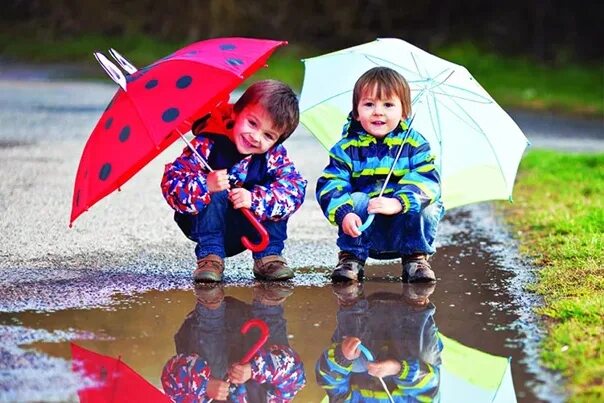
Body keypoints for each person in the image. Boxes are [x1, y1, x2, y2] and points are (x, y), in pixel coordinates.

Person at [162, 80, 307, 282]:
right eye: (252, 123)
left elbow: (295, 188)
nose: (255, 137)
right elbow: (173, 182)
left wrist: (255, 199)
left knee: (276, 190)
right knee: (217, 188)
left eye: (268, 135)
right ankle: (210, 258)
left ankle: (269, 256)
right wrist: (205, 184)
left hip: (252, 224)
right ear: (236, 113)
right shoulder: (207, 145)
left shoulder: (272, 156)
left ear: (277, 141)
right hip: (208, 225)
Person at [316, 67, 444, 283]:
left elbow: (428, 181)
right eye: (369, 104)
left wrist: (399, 202)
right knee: (356, 199)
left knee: (430, 205)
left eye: (388, 105)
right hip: (364, 228)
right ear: (356, 111)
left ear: (404, 112)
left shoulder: (415, 144)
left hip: (402, 228)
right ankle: (351, 258)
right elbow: (331, 183)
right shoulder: (346, 148)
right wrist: (344, 213)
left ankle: (416, 258)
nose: (378, 111)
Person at [161, 283, 306, 402]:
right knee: (278, 358)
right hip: (255, 327)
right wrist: (255, 369)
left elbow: (172, 378)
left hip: (206, 326)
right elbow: (294, 373)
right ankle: (269, 297)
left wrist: (205, 385)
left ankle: (210, 301)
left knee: (213, 374)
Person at [315, 283, 442, 402]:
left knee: (357, 363)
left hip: (365, 324)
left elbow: (330, 382)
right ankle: (417, 298)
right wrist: (399, 369)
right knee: (426, 360)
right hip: (407, 325)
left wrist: (342, 358)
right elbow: (431, 384)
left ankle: (349, 296)